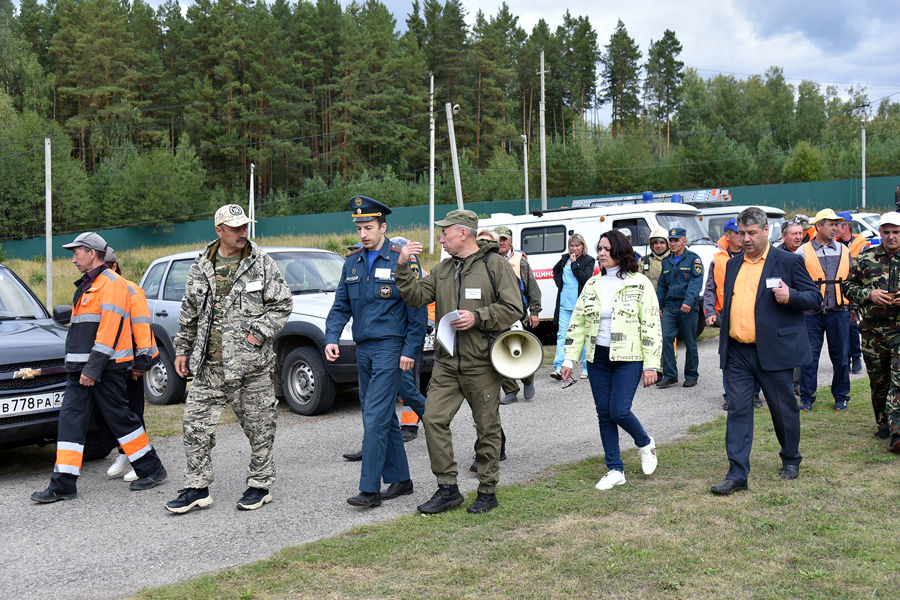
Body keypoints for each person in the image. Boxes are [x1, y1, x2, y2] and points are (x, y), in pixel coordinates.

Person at [395, 210, 523, 515]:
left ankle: (487, 490)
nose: (441, 238)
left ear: (463, 233)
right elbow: (414, 296)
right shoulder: (442, 270)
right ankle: (448, 488)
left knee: (487, 427)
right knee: (433, 419)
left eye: (445, 233)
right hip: (446, 363)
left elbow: (513, 307)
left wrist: (478, 317)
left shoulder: (495, 266)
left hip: (482, 363)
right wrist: (402, 267)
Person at [166, 204, 291, 514]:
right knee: (194, 425)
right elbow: (189, 314)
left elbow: (282, 304)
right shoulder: (201, 265)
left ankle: (260, 485)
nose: (242, 232)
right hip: (209, 366)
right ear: (219, 230)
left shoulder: (260, 264)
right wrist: (182, 349)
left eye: (244, 226)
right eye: (235, 228)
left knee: (260, 427)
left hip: (251, 367)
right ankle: (197, 487)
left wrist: (257, 334)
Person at [31, 232, 167, 503]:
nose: (73, 259)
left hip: (104, 370)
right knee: (69, 424)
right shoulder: (86, 285)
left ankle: (151, 468)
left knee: (121, 420)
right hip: (81, 370)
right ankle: (63, 484)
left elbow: (109, 330)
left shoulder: (112, 283)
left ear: (92, 253)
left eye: (76, 252)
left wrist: (92, 369)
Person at [325, 198, 427, 508]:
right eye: (359, 228)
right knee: (382, 417)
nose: (363, 234)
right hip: (364, 349)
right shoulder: (352, 262)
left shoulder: (400, 260)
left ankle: (369, 489)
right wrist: (332, 336)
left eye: (369, 227)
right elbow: (341, 304)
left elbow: (417, 308)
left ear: (383, 227)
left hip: (391, 348)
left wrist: (410, 349)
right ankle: (400, 479)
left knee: (374, 418)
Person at [711, 207, 820, 495]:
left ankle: (791, 458)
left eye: (751, 233)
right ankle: (737, 474)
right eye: (741, 233)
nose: (745, 239)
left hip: (774, 351)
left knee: (782, 410)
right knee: (738, 411)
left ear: (766, 232)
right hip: (738, 353)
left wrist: (790, 296)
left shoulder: (787, 261)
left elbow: (814, 297)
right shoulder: (734, 264)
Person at [561, 230, 662, 490]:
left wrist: (652, 364)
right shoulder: (593, 284)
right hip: (598, 358)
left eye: (607, 249)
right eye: (600, 249)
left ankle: (645, 443)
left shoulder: (640, 283)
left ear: (619, 252)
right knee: (604, 415)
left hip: (629, 357)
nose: (601, 253)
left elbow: (651, 325)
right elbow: (577, 323)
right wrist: (569, 360)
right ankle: (615, 469)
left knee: (619, 410)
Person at [93, 247, 160, 482]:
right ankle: (123, 451)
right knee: (106, 412)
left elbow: (142, 326)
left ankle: (138, 458)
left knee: (132, 411)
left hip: (130, 364)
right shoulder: (96, 288)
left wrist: (142, 363)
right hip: (108, 363)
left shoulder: (131, 289)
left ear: (113, 267)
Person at [843, 212, 900, 451]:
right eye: (886, 232)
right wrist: (869, 294)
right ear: (880, 233)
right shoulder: (865, 258)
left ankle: (897, 432)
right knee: (879, 382)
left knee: (899, 380)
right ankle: (883, 423)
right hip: (873, 332)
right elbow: (847, 286)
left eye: (896, 232)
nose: (891, 237)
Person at [796, 209, 852, 412]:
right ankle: (807, 399)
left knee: (841, 357)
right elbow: (795, 281)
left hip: (839, 310)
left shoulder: (844, 250)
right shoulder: (802, 251)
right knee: (809, 358)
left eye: (836, 224)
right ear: (818, 226)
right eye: (830, 224)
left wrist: (852, 307)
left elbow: (851, 281)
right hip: (811, 313)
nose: (835, 227)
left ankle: (841, 397)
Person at [704, 219, 762, 410]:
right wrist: (710, 311)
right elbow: (710, 288)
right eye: (738, 233)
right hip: (726, 316)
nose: (743, 237)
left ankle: (754, 394)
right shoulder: (718, 259)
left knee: (757, 354)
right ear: (728, 236)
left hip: (753, 315)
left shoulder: (755, 255)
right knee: (728, 357)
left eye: (746, 233)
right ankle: (730, 396)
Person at [494, 226, 542, 404]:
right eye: (498, 239)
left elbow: (533, 288)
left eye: (504, 239)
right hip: (497, 315)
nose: (501, 242)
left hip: (518, 314)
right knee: (502, 353)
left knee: (520, 351)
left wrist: (535, 311)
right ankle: (510, 391)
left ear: (510, 240)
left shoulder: (520, 261)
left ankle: (528, 380)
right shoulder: (488, 260)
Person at [656, 228, 704, 388]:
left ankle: (691, 375)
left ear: (685, 241)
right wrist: (660, 305)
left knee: (690, 341)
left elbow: (696, 282)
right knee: (665, 338)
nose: (673, 243)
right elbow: (662, 286)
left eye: (677, 240)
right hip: (670, 307)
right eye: (671, 240)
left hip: (687, 307)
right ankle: (670, 375)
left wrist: (689, 301)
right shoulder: (666, 261)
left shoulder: (693, 259)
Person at [551, 234, 595, 380]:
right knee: (562, 335)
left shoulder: (589, 260)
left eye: (577, 245)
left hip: (579, 305)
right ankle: (559, 367)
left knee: (582, 336)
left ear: (583, 246)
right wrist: (560, 285)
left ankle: (587, 368)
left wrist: (575, 265)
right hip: (564, 305)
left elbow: (585, 278)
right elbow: (555, 270)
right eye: (572, 246)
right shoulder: (564, 258)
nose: (574, 249)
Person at [835, 212, 869, 374]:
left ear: (845, 226)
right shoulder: (834, 244)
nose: (834, 229)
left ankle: (856, 356)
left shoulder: (861, 245)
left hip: (854, 289)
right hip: (838, 291)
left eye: (837, 225)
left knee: (852, 325)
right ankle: (846, 358)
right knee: (842, 327)